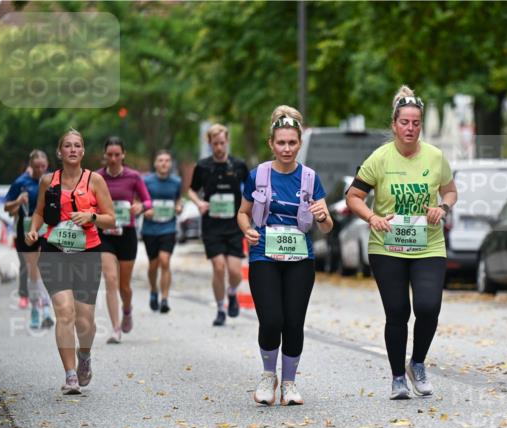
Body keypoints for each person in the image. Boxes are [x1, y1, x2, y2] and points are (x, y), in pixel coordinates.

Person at [346, 86, 458, 400]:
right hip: (387, 246)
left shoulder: (435, 157)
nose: (410, 128)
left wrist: (443, 208)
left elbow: (450, 192)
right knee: (397, 312)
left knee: (428, 307)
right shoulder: (380, 159)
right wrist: (372, 218)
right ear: (394, 125)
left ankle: (417, 363)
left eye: (416, 123)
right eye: (404, 122)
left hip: (428, 244)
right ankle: (397, 377)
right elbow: (353, 196)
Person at [237, 105, 331, 405]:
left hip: (300, 260)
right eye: (281, 143)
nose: (287, 148)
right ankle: (268, 375)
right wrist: (247, 230)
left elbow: (327, 227)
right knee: (271, 319)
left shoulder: (310, 178)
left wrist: (322, 215)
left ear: (299, 144)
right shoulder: (258, 175)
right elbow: (243, 213)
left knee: (293, 322)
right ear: (271, 144)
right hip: (264, 255)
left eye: (292, 143)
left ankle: (289, 382)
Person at [26, 129, 116, 394]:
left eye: (78, 145)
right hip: (54, 251)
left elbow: (111, 217)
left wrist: (92, 217)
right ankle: (70, 376)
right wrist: (34, 229)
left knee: (84, 322)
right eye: (68, 145)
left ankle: (84, 356)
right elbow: (39, 212)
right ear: (59, 152)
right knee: (65, 313)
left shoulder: (95, 180)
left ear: (83, 151)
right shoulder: (47, 181)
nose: (73, 149)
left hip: (87, 253)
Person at [188, 124, 249, 326]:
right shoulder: (203, 166)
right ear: (210, 143)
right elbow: (192, 190)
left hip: (233, 225)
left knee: (235, 271)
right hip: (212, 226)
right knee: (218, 266)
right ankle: (220, 308)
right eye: (215, 144)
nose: (219, 147)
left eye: (222, 143)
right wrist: (199, 203)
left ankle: (232, 293)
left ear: (227, 142)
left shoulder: (239, 165)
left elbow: (250, 191)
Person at [97, 137, 152, 343]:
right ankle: (115, 328)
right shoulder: (96, 177)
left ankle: (127, 309)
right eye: (109, 155)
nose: (113, 159)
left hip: (127, 233)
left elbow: (147, 200)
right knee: (110, 280)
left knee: (124, 286)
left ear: (123, 155)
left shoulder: (133, 176)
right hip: (104, 234)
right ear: (105, 155)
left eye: (117, 155)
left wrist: (140, 207)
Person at [5, 151, 54, 327]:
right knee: (33, 271)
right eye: (37, 167)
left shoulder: (52, 181)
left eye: (43, 166)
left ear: (47, 165)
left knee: (44, 269)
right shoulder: (21, 182)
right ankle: (35, 308)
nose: (41, 170)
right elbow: (6, 206)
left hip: (46, 229)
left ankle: (47, 308)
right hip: (25, 230)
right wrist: (18, 201)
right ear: (30, 166)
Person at [142, 149, 182, 314]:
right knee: (153, 265)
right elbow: (139, 201)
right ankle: (153, 290)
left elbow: (178, 199)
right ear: (155, 163)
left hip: (168, 227)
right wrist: (145, 210)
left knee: (165, 261)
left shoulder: (176, 182)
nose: (164, 163)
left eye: (167, 160)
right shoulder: (146, 181)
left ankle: (165, 299)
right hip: (150, 229)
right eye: (161, 160)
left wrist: (179, 207)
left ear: (170, 163)